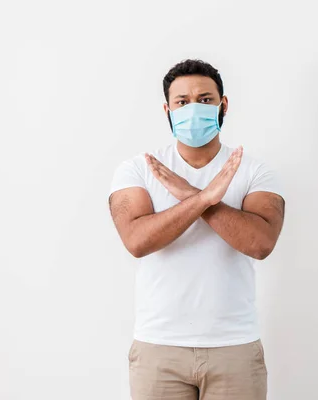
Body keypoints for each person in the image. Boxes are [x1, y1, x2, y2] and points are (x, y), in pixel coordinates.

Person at [108, 59, 285, 400]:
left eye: (205, 99)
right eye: (182, 101)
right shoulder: (139, 170)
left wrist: (193, 196)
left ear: (223, 104)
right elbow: (137, 241)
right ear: (167, 109)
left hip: (234, 348)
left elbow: (261, 244)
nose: (194, 109)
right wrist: (203, 198)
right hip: (159, 348)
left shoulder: (254, 171)